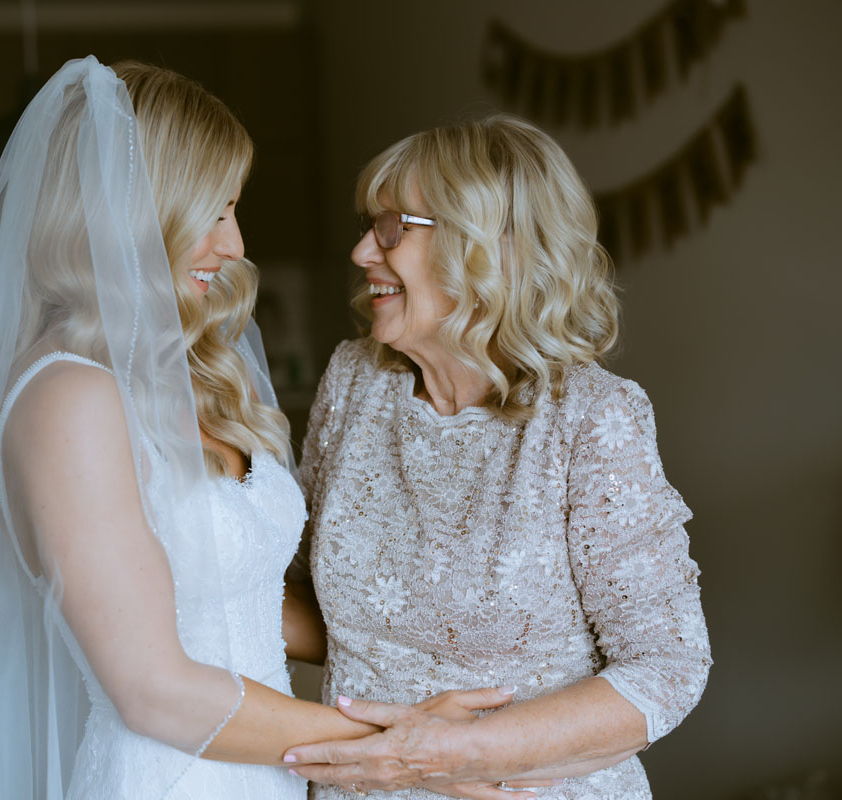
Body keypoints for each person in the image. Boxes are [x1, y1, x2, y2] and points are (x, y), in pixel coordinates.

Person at [0, 56, 536, 800]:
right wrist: (403, 748)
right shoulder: (68, 398)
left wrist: (450, 634)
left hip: (269, 773)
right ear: (134, 209)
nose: (235, 244)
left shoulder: (191, 375)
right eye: (213, 210)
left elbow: (244, 599)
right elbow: (153, 689)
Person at [282, 116, 712, 798]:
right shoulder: (355, 381)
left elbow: (668, 665)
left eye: (393, 226)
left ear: (488, 245)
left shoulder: (593, 417)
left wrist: (459, 753)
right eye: (368, 224)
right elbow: (303, 594)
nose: (365, 250)